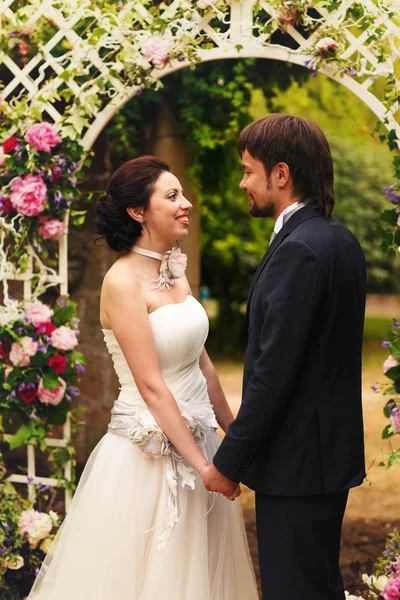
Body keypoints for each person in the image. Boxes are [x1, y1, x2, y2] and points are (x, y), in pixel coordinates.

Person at [28, 156, 258, 599]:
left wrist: (235, 437)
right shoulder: (121, 282)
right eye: (172, 196)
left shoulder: (175, 269)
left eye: (182, 193)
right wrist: (205, 467)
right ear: (138, 211)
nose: (186, 203)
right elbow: (152, 385)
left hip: (201, 446)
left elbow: (202, 364)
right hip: (148, 460)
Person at [203, 114, 367, 600]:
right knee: (318, 586)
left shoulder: (300, 249)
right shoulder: (340, 240)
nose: (242, 182)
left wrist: (229, 461)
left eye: (248, 170)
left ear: (281, 174)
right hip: (323, 459)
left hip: (296, 464)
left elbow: (274, 372)